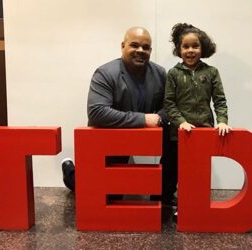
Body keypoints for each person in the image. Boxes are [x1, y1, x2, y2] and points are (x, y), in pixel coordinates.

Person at [62, 27, 176, 206]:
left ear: (150, 51)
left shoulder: (160, 73)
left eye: (146, 47)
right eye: (134, 45)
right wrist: (143, 119)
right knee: (101, 192)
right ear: (123, 46)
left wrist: (160, 118)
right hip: (109, 140)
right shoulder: (105, 73)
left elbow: (170, 106)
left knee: (174, 138)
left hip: (143, 136)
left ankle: (164, 193)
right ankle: (70, 172)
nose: (140, 51)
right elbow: (97, 112)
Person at [163, 23, 230, 208]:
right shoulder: (173, 74)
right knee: (178, 170)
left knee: (199, 171)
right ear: (179, 49)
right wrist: (181, 122)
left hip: (204, 131)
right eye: (186, 46)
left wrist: (222, 121)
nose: (190, 51)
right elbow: (169, 103)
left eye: (195, 46)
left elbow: (220, 100)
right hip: (180, 134)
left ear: (203, 48)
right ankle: (176, 204)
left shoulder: (211, 72)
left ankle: (196, 205)